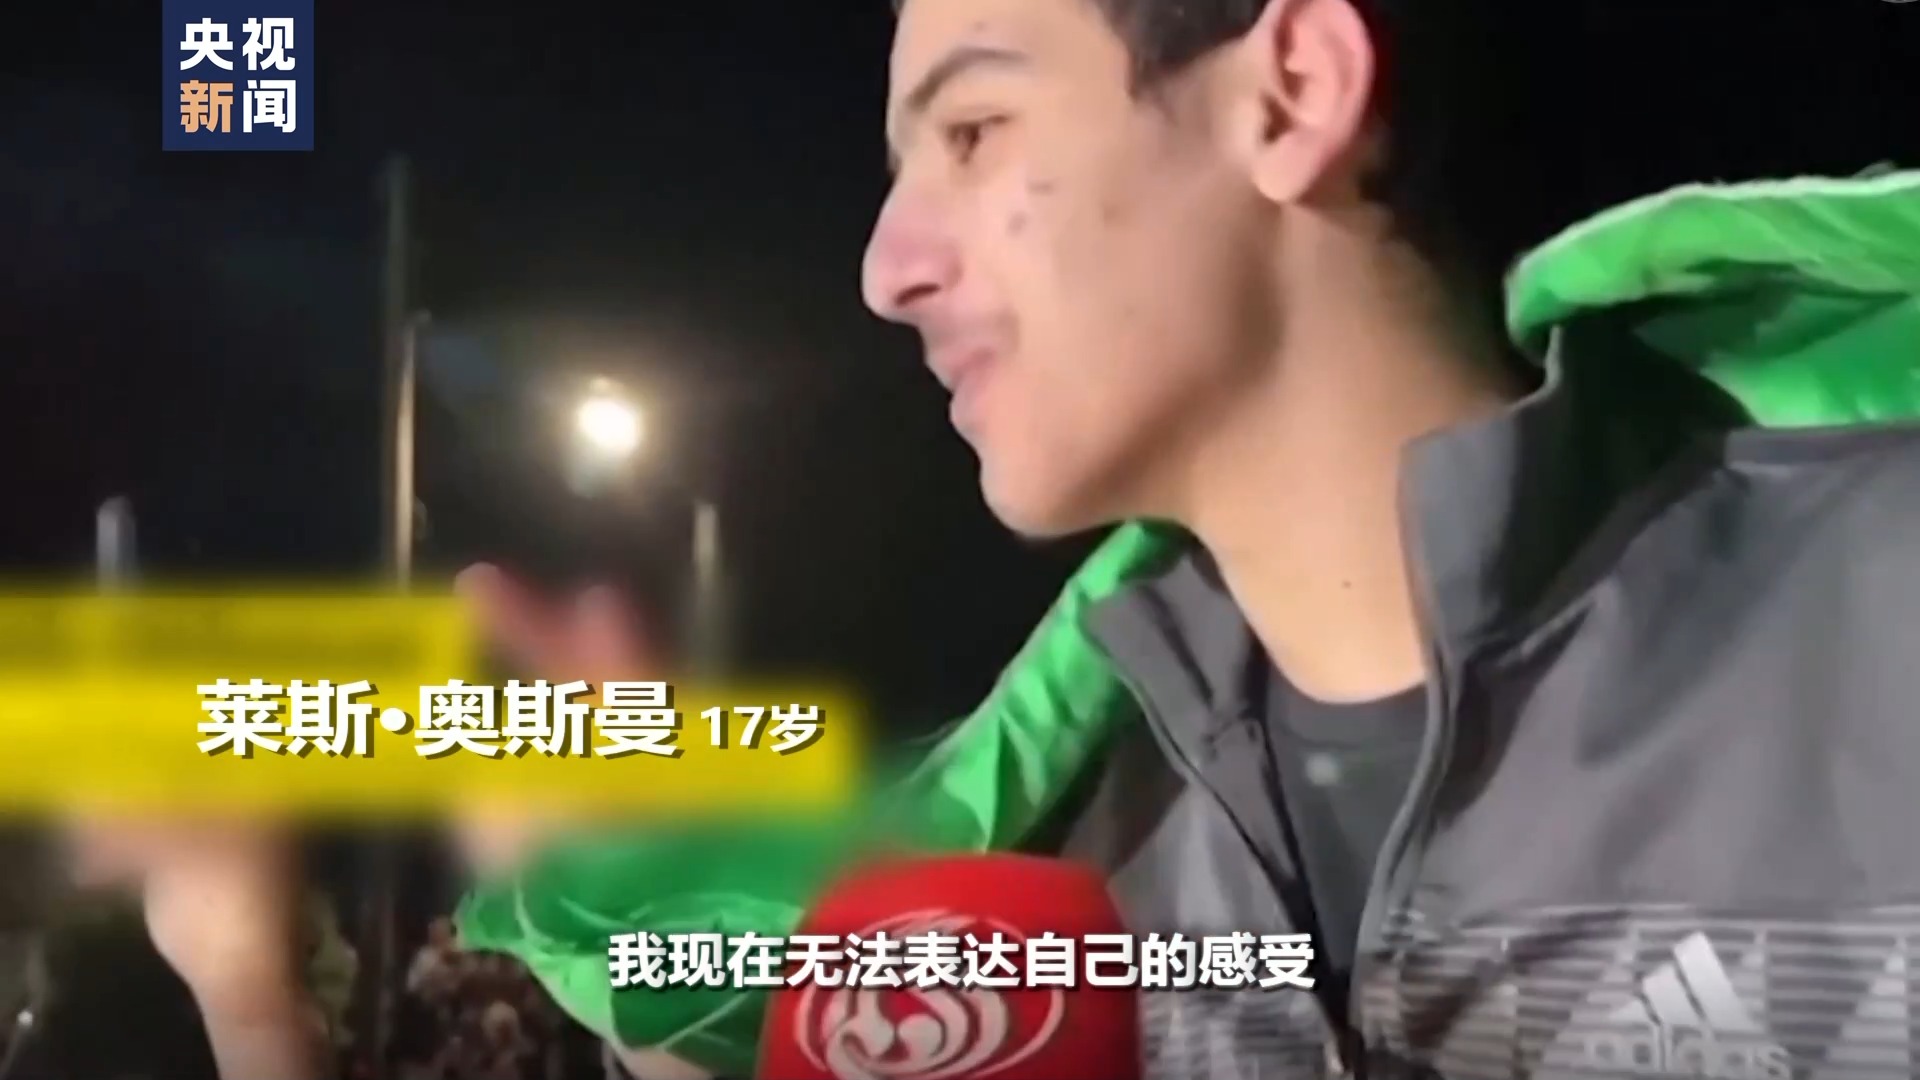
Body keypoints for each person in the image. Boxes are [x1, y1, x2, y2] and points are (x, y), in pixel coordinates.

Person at [92, 1, 1920, 1079]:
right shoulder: (1060, 892)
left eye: (971, 130)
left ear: (1291, 90)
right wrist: (259, 992)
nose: (888, 267)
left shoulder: (1873, 613)